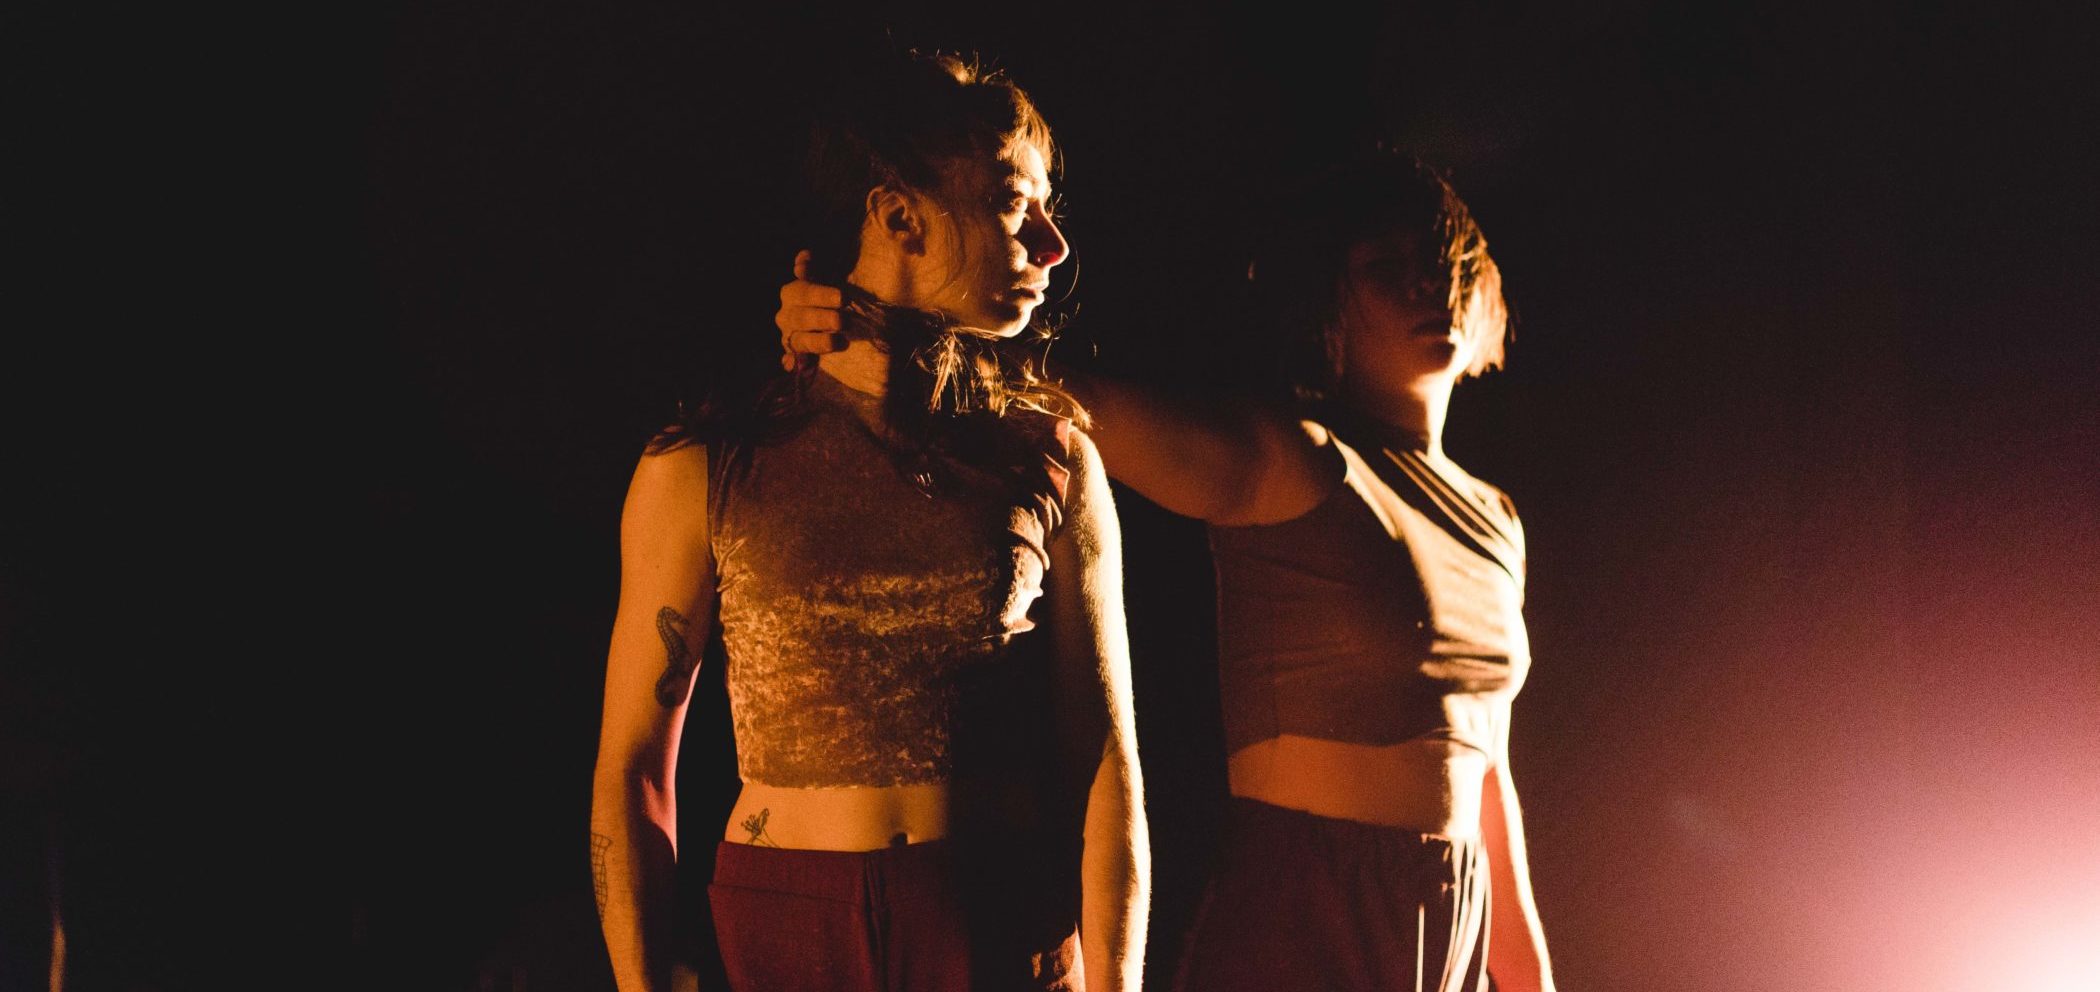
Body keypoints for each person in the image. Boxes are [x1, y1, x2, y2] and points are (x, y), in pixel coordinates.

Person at [777, 151, 1554, 992]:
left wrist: (1530, 980)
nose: (1426, 288)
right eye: (1384, 268)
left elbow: (1489, 780)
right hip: (1309, 904)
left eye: (1444, 266)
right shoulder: (1291, 459)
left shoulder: (1497, 517)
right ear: (1327, 297)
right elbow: (1071, 401)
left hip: (1453, 915)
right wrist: (862, 326)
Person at [593, 51, 1147, 992]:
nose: (1053, 244)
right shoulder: (710, 459)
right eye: (1017, 203)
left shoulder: (1049, 457)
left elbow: (1106, 766)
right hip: (787, 913)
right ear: (899, 215)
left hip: (995, 910)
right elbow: (632, 765)